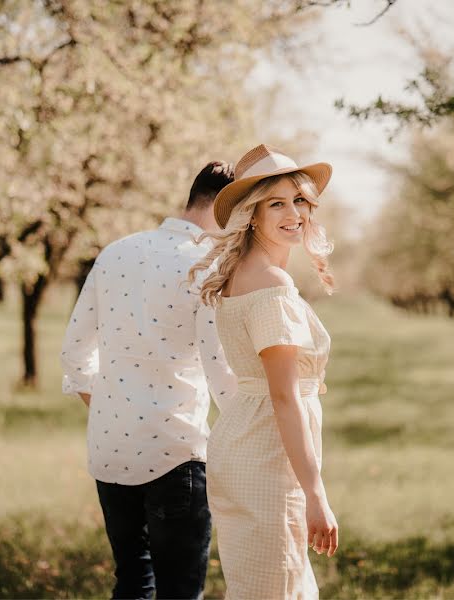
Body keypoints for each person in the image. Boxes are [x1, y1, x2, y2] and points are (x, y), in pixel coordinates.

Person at [60, 161, 238, 600]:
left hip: (109, 448)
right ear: (224, 209)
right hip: (176, 453)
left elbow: (73, 356)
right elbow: (222, 377)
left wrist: (112, 409)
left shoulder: (115, 252)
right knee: (180, 592)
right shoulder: (208, 269)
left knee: (134, 583)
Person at [188, 144, 339, 599]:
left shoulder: (244, 271)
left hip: (245, 442)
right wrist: (316, 494)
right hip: (267, 455)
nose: (294, 212)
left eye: (299, 201)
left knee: (263, 585)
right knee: (276, 588)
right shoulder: (272, 285)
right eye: (277, 203)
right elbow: (284, 397)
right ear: (252, 214)